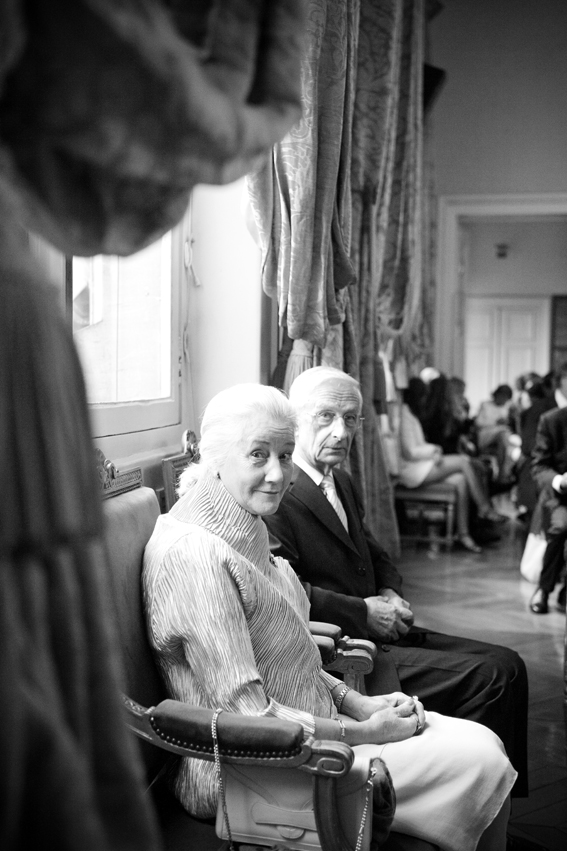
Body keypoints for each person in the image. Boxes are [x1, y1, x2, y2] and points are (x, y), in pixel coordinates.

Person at [143, 382, 516, 851]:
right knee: (481, 760)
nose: (278, 474)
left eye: (284, 454)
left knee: (485, 742)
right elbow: (249, 715)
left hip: (312, 731)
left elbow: (290, 659)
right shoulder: (195, 557)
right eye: (258, 455)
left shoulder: (244, 524)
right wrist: (363, 732)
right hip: (253, 770)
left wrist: (357, 702)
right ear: (214, 457)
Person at [264, 366, 529, 800]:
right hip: (348, 653)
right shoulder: (278, 491)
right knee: (493, 677)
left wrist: (390, 592)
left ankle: (498, 812)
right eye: (326, 416)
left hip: (380, 629)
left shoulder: (341, 480)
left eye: (351, 419)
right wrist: (364, 612)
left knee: (511, 663)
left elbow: (373, 549)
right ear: (295, 420)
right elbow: (289, 594)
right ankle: (466, 803)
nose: (341, 431)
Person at [399, 377, 504, 553]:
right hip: (412, 470)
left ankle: (464, 534)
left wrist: (433, 451)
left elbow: (418, 446)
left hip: (421, 464)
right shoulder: (405, 415)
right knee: (464, 461)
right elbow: (410, 451)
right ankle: (484, 507)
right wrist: (434, 450)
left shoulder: (411, 413)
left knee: (461, 480)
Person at [528, 404, 567, 614]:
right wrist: (560, 481)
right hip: (560, 495)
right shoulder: (552, 419)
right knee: (560, 527)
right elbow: (539, 466)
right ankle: (544, 588)